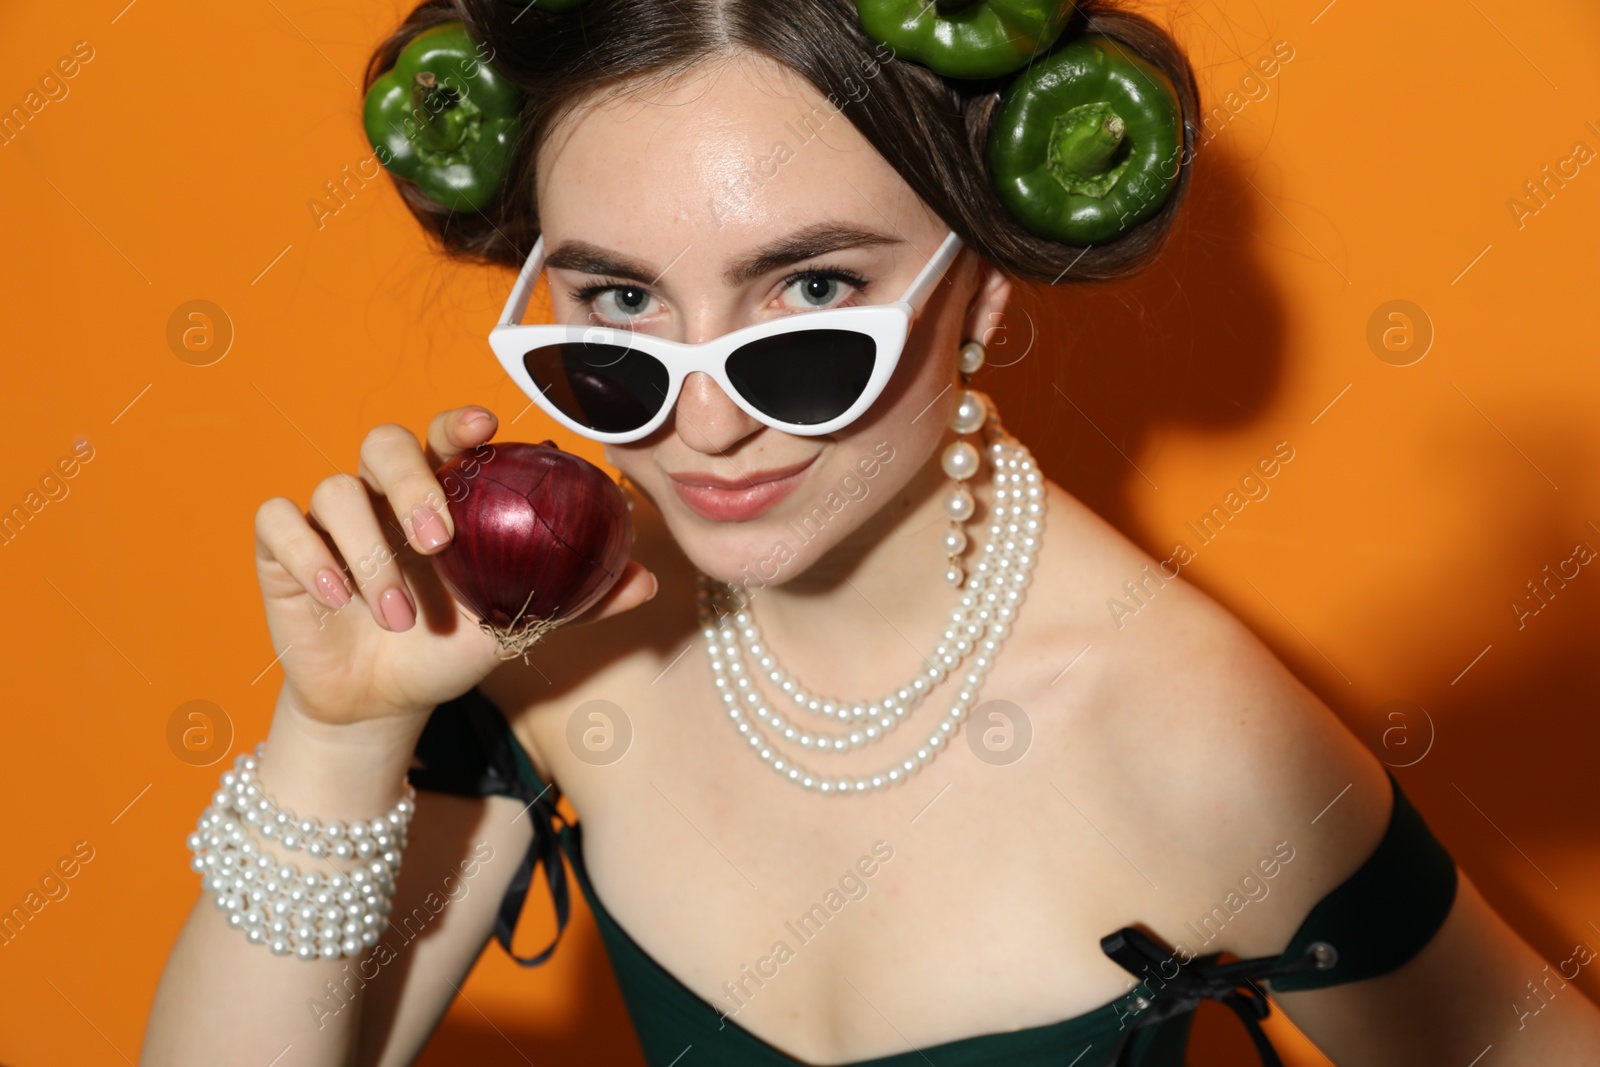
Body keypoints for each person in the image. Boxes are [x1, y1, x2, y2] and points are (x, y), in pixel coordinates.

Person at [143, 1, 1600, 1064]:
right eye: (621, 308)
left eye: (810, 299)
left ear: (991, 289)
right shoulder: (561, 642)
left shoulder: (1193, 740)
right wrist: (335, 739)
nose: (702, 425)